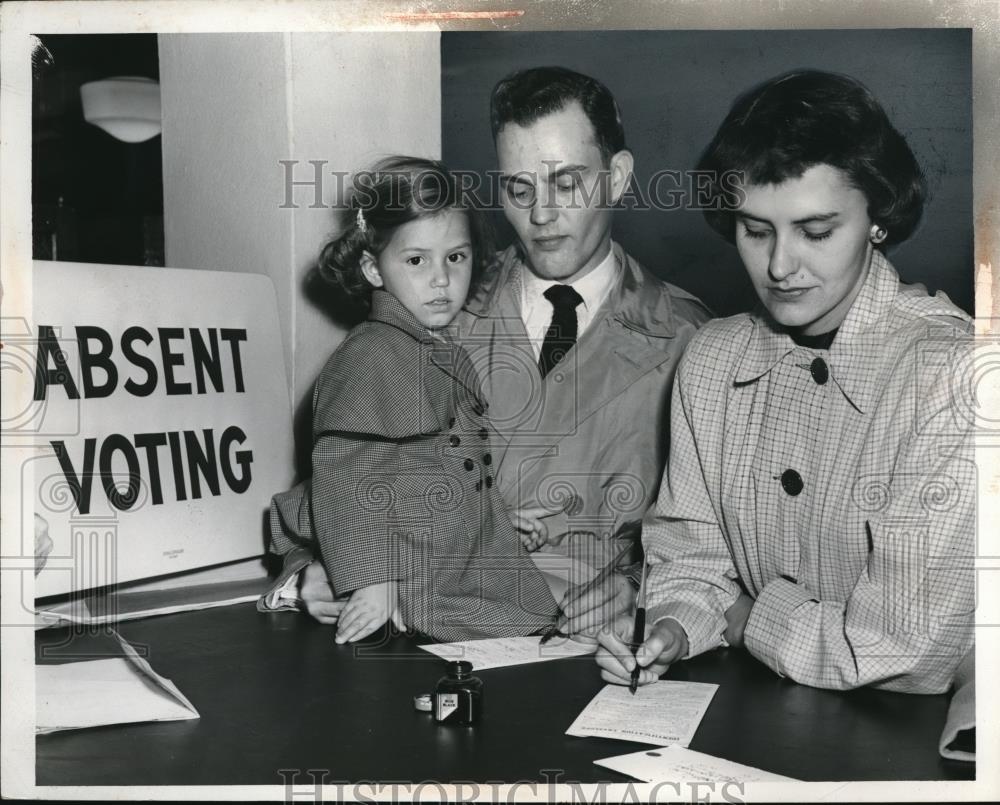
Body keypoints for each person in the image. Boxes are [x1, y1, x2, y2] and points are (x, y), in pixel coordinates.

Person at [286, 66, 710, 635]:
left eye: (566, 184)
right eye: (519, 188)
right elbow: (343, 479)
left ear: (619, 177)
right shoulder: (425, 317)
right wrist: (311, 575)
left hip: (584, 661)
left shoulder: (694, 341)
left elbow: (718, 550)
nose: (540, 215)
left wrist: (636, 591)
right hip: (413, 652)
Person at [596, 70, 974, 693]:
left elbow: (907, 652)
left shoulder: (951, 374)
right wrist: (673, 626)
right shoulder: (714, 357)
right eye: (755, 229)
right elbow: (690, 559)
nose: (778, 266)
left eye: (817, 232)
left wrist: (746, 619)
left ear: (878, 218)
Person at [265, 156, 558, 643]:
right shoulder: (372, 353)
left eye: (456, 258)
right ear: (372, 269)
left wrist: (495, 514)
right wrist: (371, 579)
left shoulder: (435, 345)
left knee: (532, 633)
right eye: (416, 260)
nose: (441, 279)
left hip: (450, 554)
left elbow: (434, 463)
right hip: (411, 569)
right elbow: (346, 472)